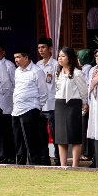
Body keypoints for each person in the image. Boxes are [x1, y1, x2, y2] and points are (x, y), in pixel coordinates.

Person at [12, 46, 49, 166]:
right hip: (17, 109)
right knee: (18, 139)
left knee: (31, 139)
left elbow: (43, 91)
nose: (16, 60)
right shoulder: (17, 71)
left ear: (26, 57)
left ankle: (34, 163)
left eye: (18, 57)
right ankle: (21, 163)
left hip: (30, 109)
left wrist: (38, 107)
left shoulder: (36, 71)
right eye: (15, 58)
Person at [54, 46, 88, 167]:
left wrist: (84, 105)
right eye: (59, 56)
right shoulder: (58, 72)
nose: (60, 58)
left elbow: (83, 91)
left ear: (70, 57)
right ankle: (63, 164)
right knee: (61, 136)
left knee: (75, 135)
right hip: (60, 104)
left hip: (74, 105)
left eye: (63, 56)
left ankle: (75, 164)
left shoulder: (77, 73)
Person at [37, 37, 59, 166]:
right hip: (40, 105)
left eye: (43, 47)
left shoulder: (56, 65)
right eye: (39, 48)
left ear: (50, 49)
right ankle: (44, 158)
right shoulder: (37, 65)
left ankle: (57, 158)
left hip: (52, 104)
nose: (40, 50)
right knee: (41, 134)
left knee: (55, 134)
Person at [0, 41, 16, 161]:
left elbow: (13, 84)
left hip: (7, 104)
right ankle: (1, 156)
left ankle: (11, 157)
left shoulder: (9, 66)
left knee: (8, 132)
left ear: (3, 52)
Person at [78, 49, 96, 163]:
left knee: (85, 128)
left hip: (86, 103)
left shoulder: (86, 69)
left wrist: (86, 103)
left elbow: (86, 87)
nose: (78, 60)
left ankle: (87, 153)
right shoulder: (92, 68)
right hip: (90, 102)